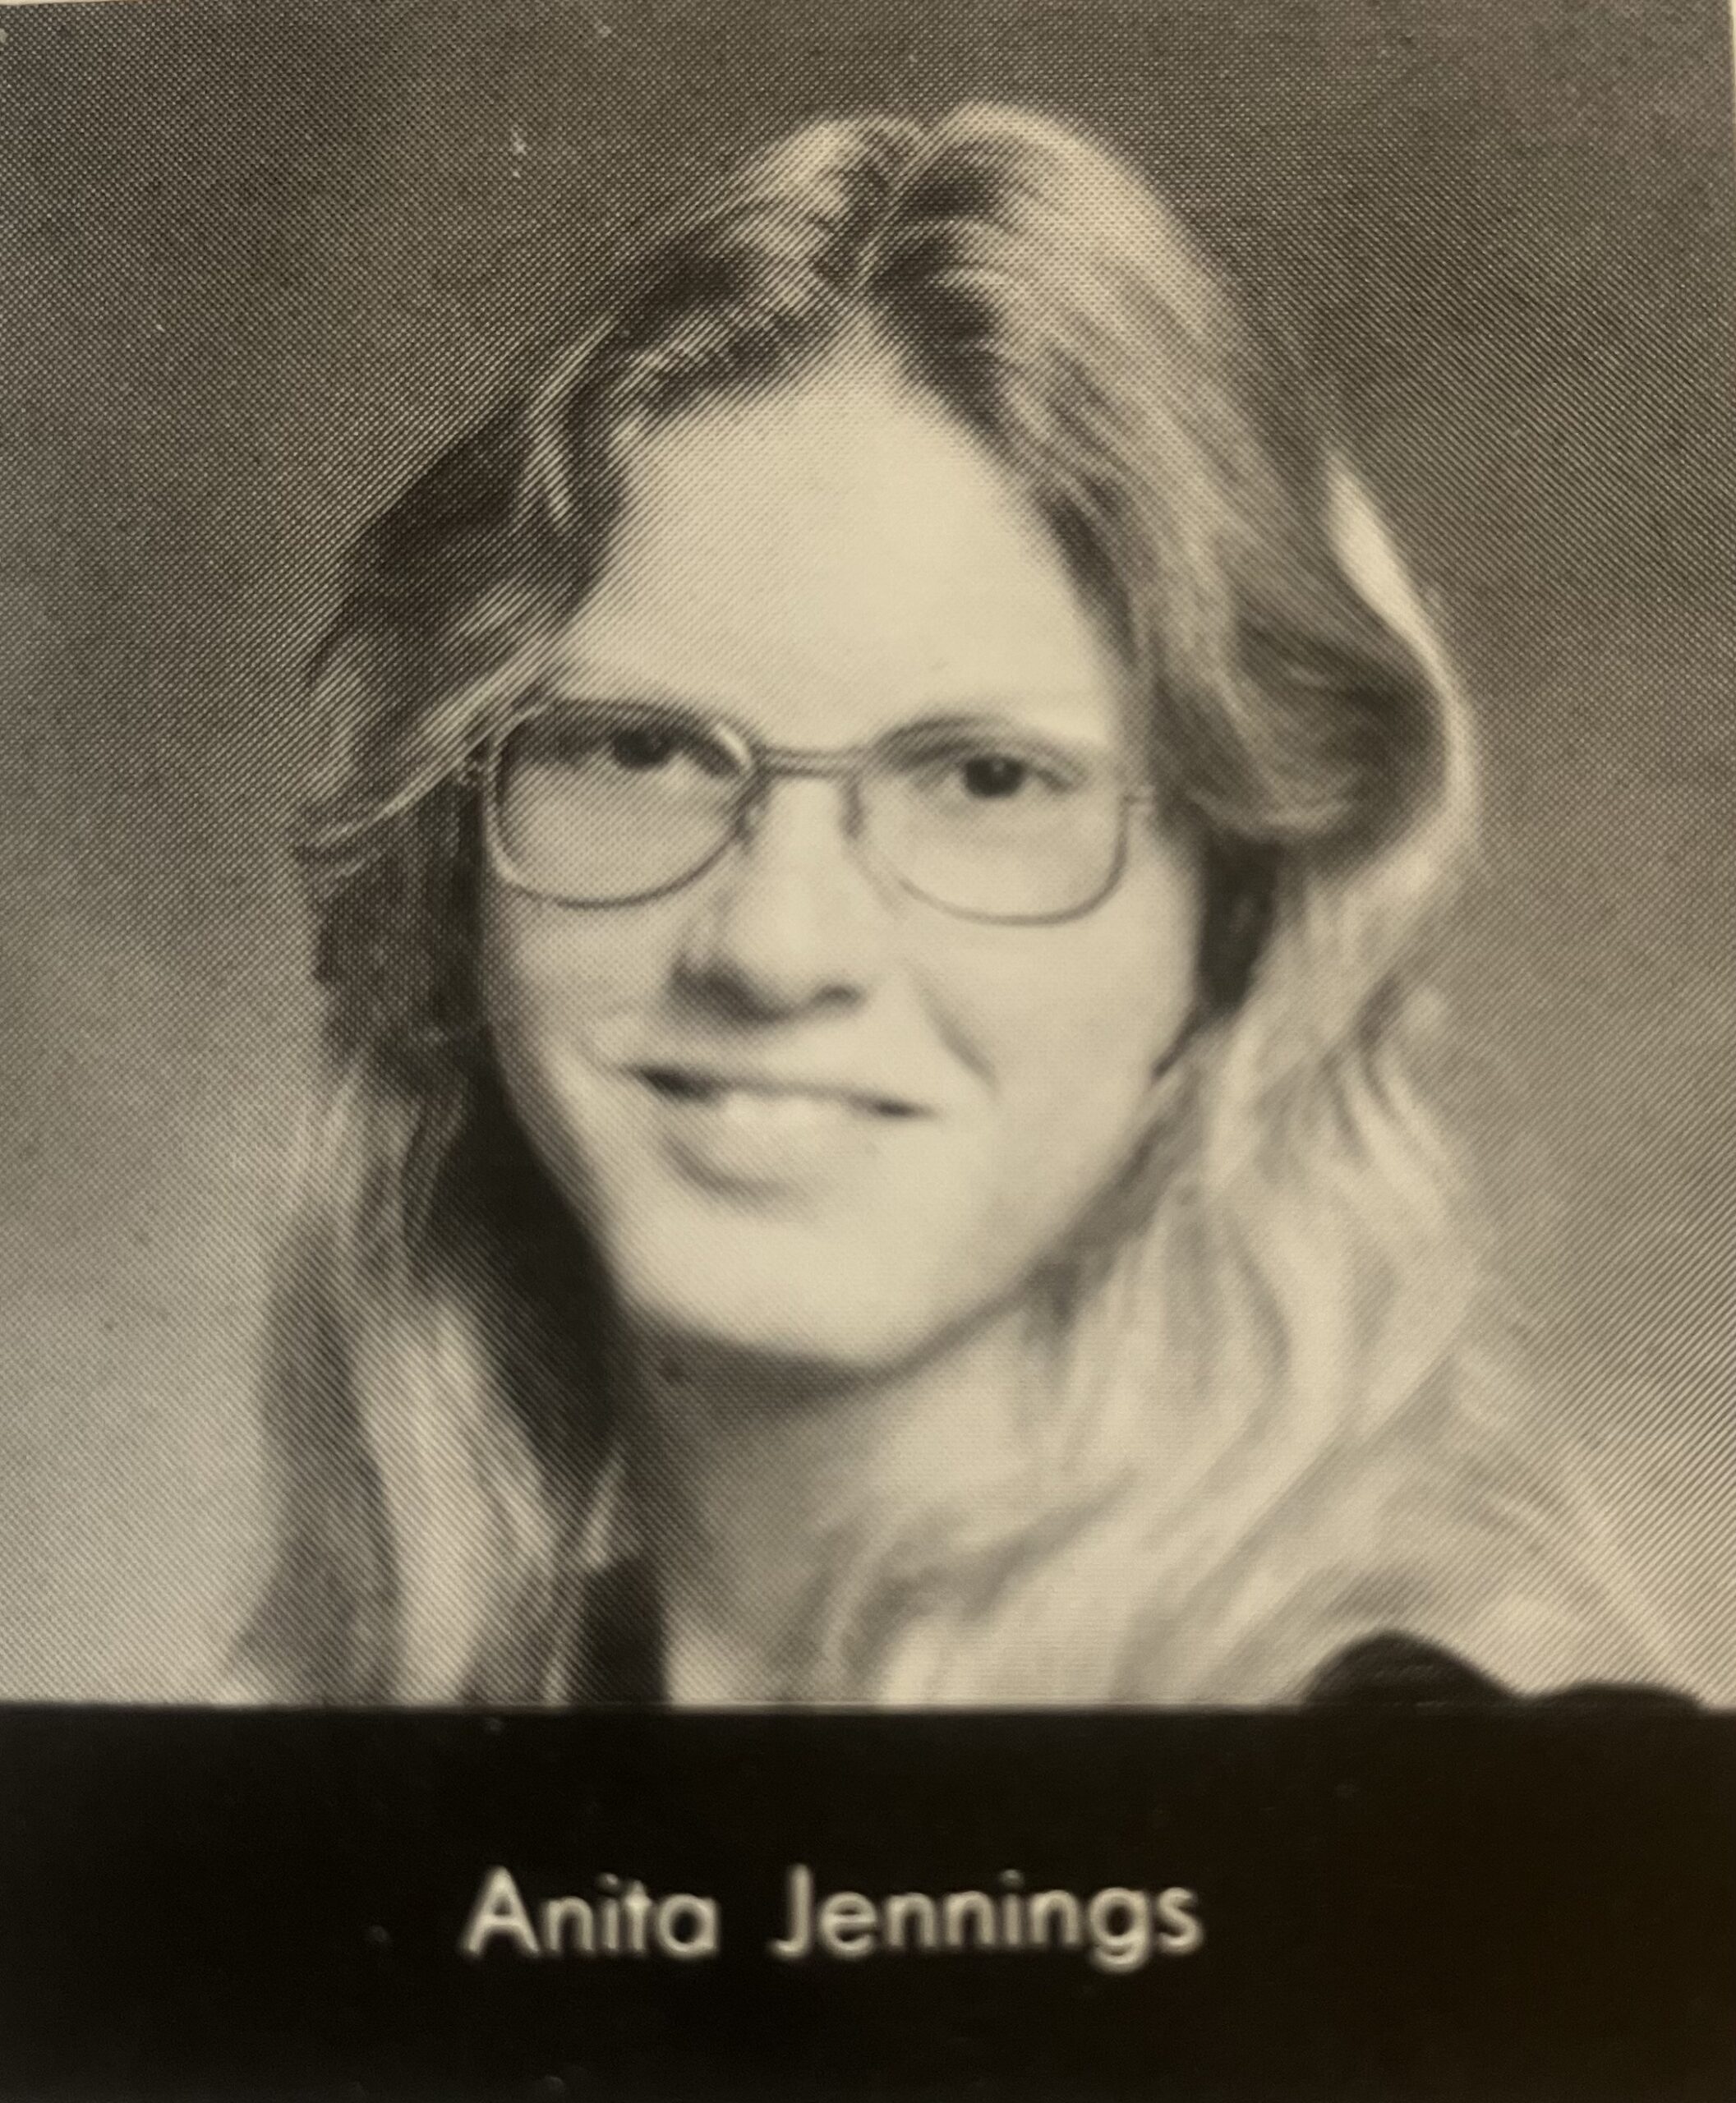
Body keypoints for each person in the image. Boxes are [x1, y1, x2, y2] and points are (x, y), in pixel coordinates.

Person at [234, 104, 1683, 1706]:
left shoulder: (1460, 1796)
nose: (771, 945)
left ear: (1237, 927)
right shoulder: (366, 1748)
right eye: (640, 750)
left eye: (987, 779)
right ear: (450, 864)